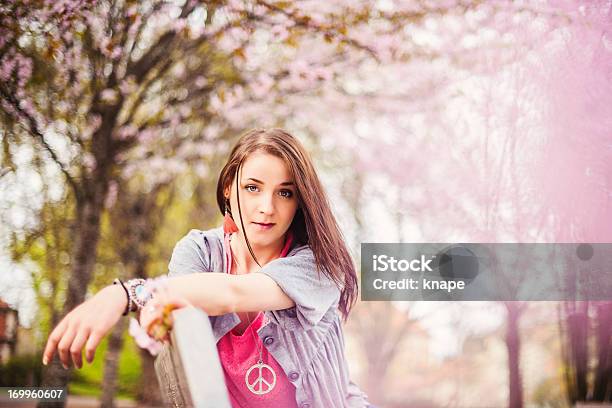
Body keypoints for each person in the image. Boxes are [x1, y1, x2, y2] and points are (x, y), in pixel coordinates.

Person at [43, 128, 373, 407]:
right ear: (229, 187)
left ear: (299, 202)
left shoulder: (318, 264)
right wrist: (151, 308)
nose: (266, 207)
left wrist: (125, 294)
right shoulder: (200, 252)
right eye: (252, 187)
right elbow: (169, 311)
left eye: (284, 193)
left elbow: (233, 292)